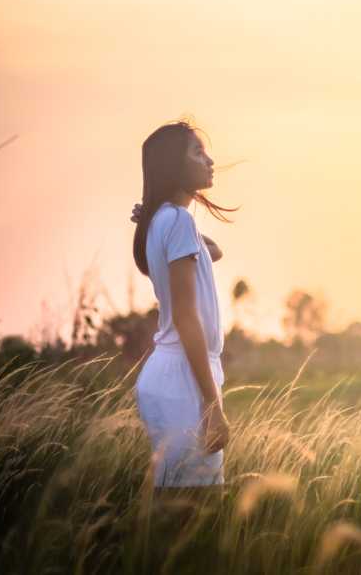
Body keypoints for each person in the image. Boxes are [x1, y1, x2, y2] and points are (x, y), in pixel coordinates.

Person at [130, 120, 235, 489]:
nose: (209, 160)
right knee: (191, 512)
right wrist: (212, 406)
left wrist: (157, 213)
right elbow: (187, 316)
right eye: (198, 151)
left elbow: (215, 252)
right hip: (182, 379)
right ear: (175, 164)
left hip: (175, 374)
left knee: (183, 508)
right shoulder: (175, 220)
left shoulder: (170, 220)